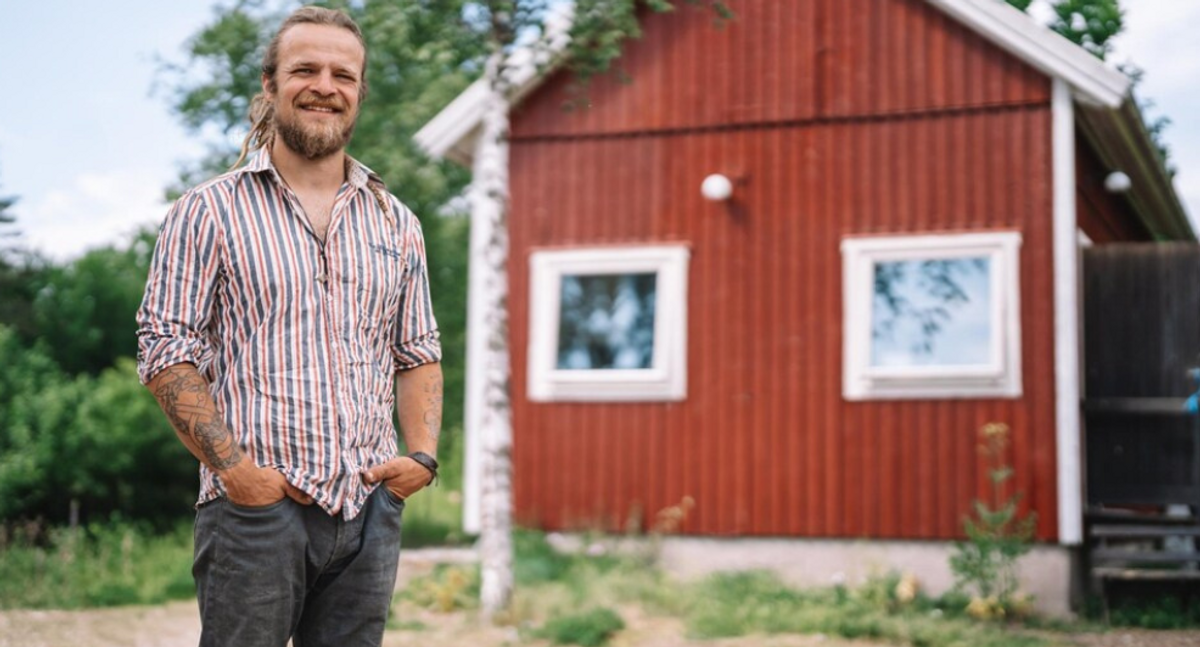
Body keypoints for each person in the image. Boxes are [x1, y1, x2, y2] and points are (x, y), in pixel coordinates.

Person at [136, 6, 443, 646]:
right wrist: (237, 472)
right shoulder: (207, 211)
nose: (325, 86)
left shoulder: (397, 223)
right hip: (256, 515)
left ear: (358, 92)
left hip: (368, 510)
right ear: (270, 85)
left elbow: (417, 352)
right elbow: (166, 350)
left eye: (343, 74)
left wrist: (420, 459)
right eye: (305, 69)